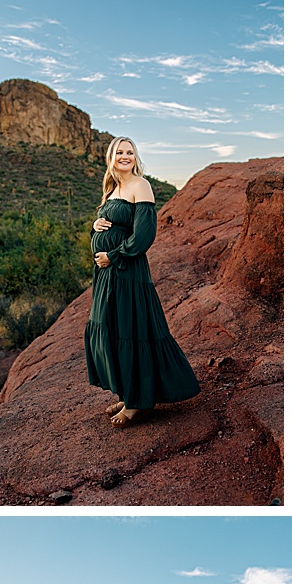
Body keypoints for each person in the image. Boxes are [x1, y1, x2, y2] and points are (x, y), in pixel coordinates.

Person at [87, 136, 201, 427]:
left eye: (130, 152)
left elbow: (144, 235)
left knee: (132, 330)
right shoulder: (113, 188)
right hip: (107, 274)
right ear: (111, 157)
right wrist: (96, 225)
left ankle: (140, 403)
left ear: (135, 157)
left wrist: (113, 255)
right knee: (113, 329)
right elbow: (112, 225)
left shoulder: (141, 185)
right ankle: (130, 393)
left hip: (127, 271)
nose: (125, 156)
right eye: (119, 152)